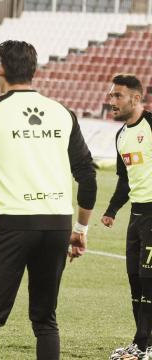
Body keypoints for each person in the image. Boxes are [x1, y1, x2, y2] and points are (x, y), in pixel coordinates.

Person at [0, 40, 96, 360]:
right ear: (34, 70)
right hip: (57, 225)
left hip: (15, 224)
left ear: (0, 69)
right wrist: (80, 229)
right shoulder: (62, 113)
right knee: (45, 320)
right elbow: (88, 175)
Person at [102, 74, 152, 360]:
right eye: (111, 96)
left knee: (149, 280)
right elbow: (125, 180)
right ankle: (141, 344)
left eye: (118, 95)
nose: (112, 101)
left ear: (136, 98)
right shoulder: (121, 136)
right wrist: (111, 210)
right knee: (135, 279)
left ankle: (147, 344)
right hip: (137, 215)